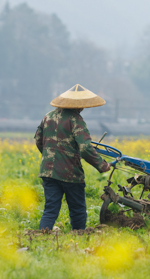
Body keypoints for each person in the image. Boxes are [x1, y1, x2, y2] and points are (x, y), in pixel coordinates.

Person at [35, 84, 111, 231]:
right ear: (79, 106)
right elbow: (85, 148)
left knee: (50, 209)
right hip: (70, 173)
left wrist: (49, 157)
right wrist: (102, 165)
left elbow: (39, 140)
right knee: (77, 209)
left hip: (48, 171)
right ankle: (78, 237)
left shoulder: (48, 117)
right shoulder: (76, 120)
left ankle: (40, 239)